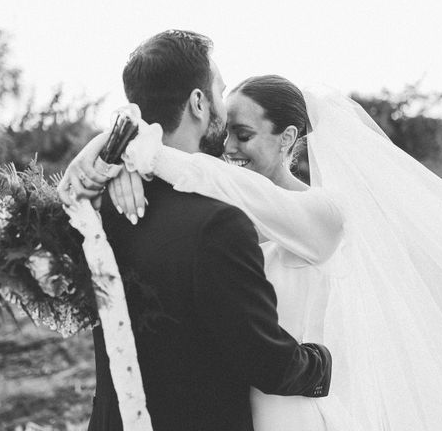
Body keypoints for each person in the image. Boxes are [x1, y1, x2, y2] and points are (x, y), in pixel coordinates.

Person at [112, 75, 442, 431]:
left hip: (292, 408)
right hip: (229, 406)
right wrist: (119, 165)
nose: (228, 147)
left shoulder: (325, 213)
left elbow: (246, 193)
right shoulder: (223, 210)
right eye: (226, 134)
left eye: (244, 135)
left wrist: (150, 153)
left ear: (287, 138)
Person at [58, 31, 338, 431]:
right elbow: (267, 362)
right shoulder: (218, 224)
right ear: (198, 102)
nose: (228, 141)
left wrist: (116, 144)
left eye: (244, 135)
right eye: (220, 92)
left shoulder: (99, 202)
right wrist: (326, 363)